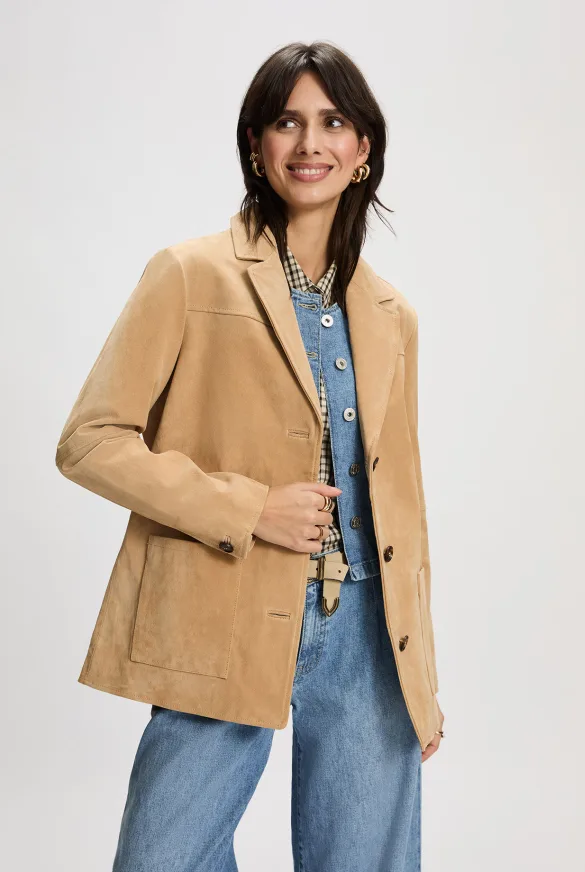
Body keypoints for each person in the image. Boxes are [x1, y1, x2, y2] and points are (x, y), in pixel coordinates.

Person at [55, 40, 444, 872]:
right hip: (223, 607)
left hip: (369, 633)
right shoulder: (190, 274)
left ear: (363, 149)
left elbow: (403, 508)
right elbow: (89, 440)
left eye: (332, 123)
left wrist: (422, 678)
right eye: (287, 122)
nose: (310, 143)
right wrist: (249, 507)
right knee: (162, 857)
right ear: (256, 145)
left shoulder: (392, 314)